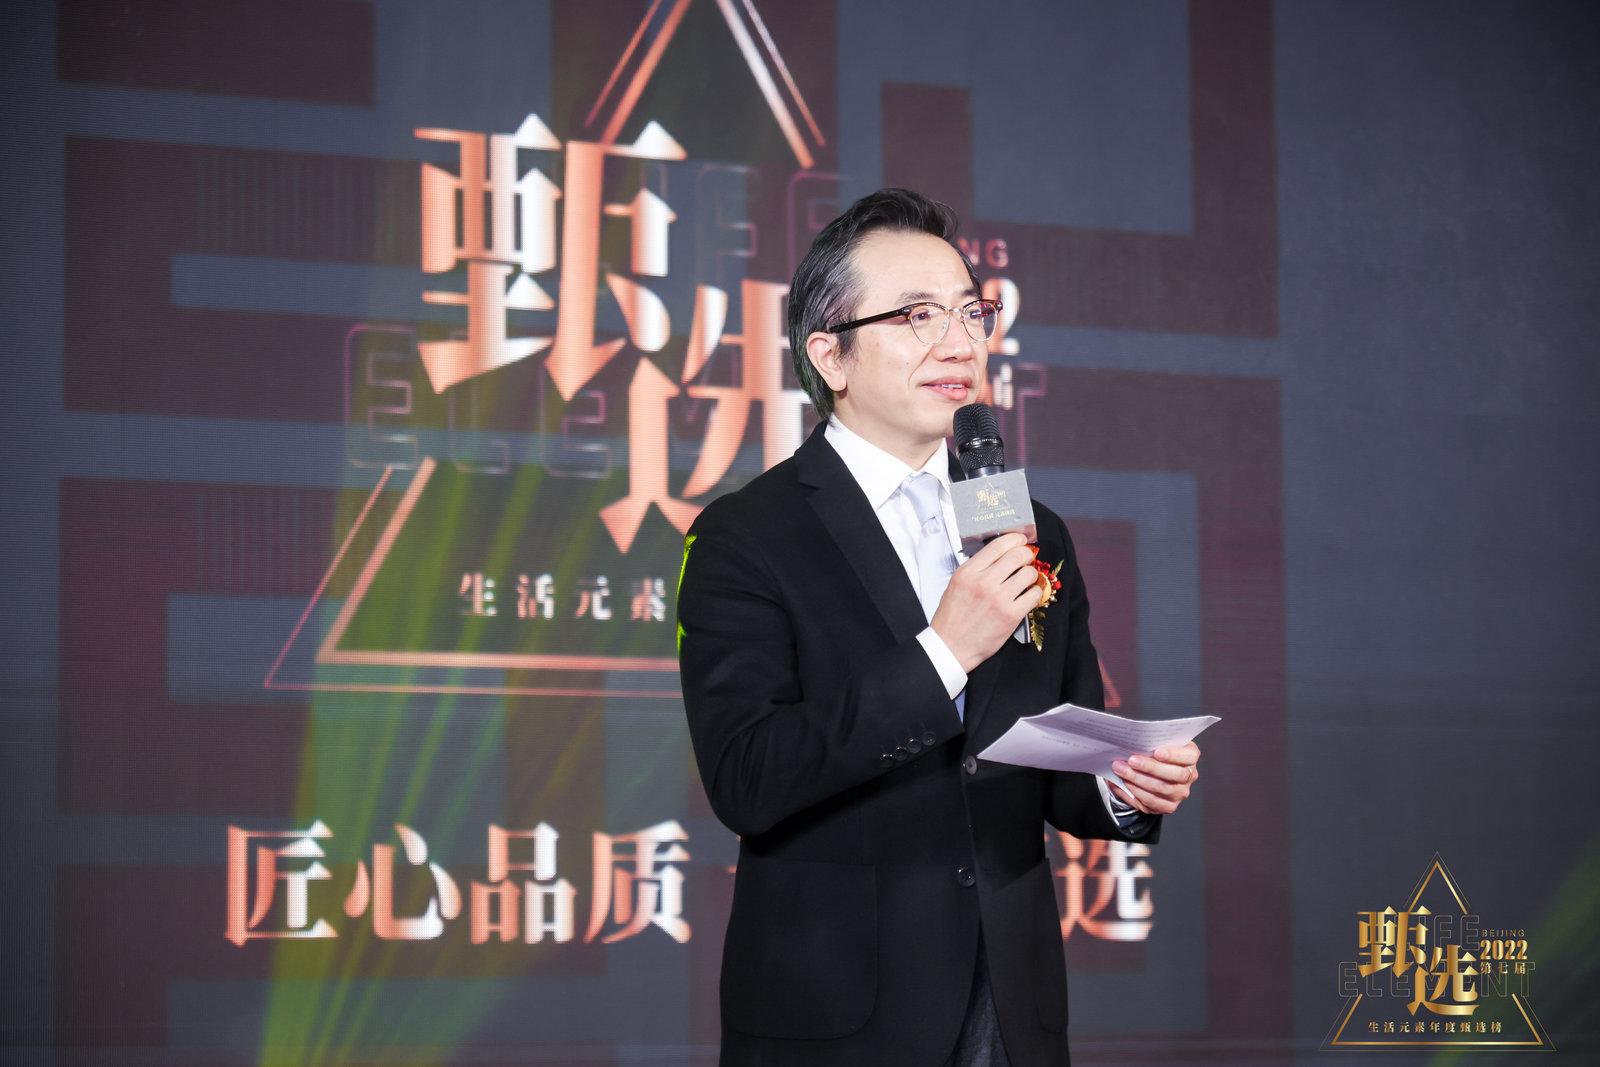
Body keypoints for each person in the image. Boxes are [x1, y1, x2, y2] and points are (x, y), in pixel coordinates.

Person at [677, 188, 1201, 1065]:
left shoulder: (1027, 527)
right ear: (830, 355)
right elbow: (749, 777)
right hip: (839, 1014)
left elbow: (1048, 756)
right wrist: (944, 651)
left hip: (1011, 1008)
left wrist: (1123, 781)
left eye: (970, 312)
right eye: (917, 315)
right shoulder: (747, 535)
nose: (958, 343)